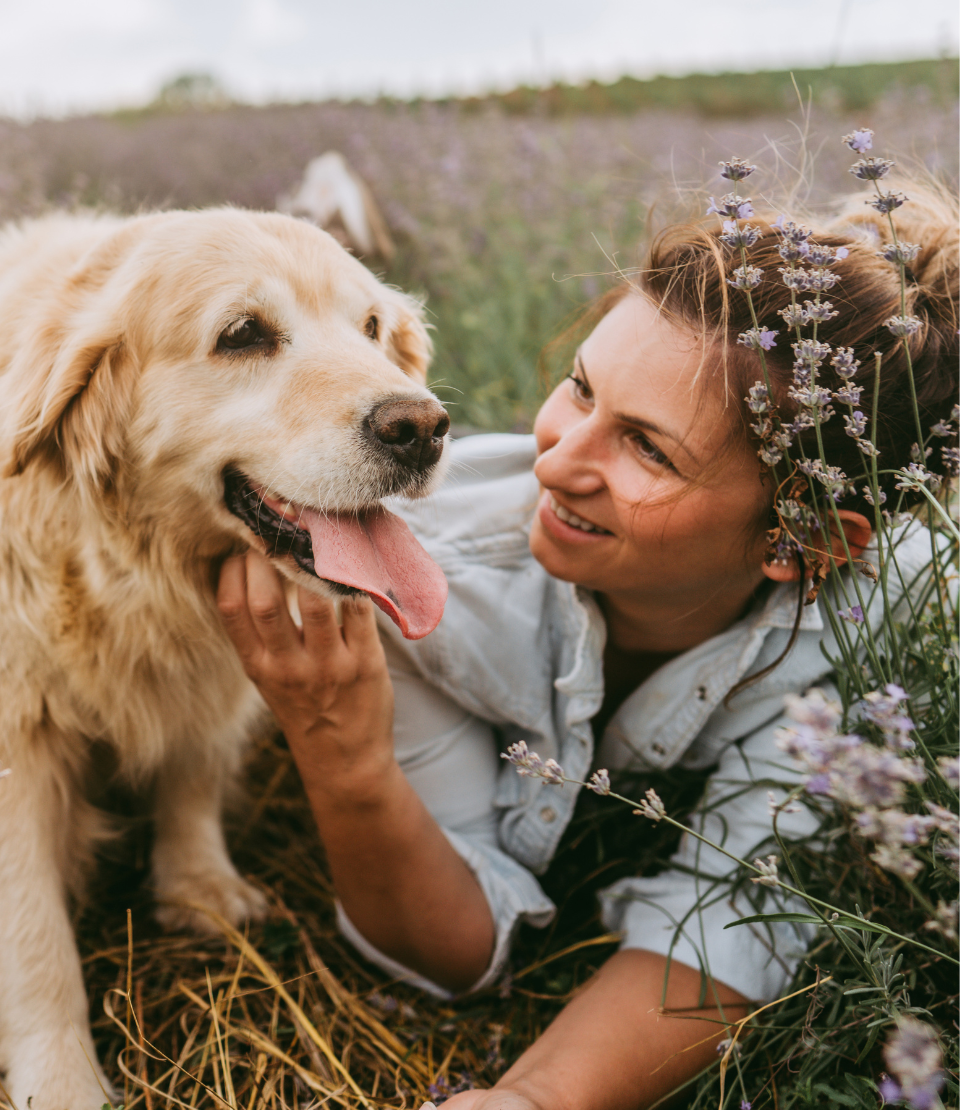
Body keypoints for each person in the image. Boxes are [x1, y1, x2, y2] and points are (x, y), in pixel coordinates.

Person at [216, 169, 957, 1109]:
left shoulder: (880, 632)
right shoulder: (415, 585)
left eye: (648, 447)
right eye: (579, 388)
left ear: (801, 540)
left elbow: (731, 923)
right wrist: (342, 750)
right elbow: (451, 946)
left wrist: (533, 1100)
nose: (558, 461)